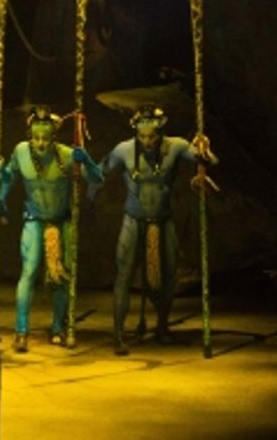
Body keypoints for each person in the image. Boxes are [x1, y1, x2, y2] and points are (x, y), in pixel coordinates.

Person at [82, 104, 216, 355]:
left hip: (163, 219)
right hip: (133, 219)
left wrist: (204, 150)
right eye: (142, 137)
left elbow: (209, 161)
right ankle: (118, 334)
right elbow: (97, 174)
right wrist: (89, 201)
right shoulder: (124, 150)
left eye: (151, 136)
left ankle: (162, 327)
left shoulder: (175, 146)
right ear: (135, 133)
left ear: (160, 130)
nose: (147, 142)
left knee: (169, 273)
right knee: (124, 274)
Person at [0, 107, 101, 352]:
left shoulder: (66, 155)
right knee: (29, 270)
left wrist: (86, 160)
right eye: (36, 138)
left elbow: (98, 179)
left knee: (60, 276)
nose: (41, 143)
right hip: (33, 218)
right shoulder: (21, 152)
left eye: (45, 138)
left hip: (61, 220)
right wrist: (1, 196)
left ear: (53, 137)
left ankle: (57, 327)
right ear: (30, 135)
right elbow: (9, 177)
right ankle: (21, 330)